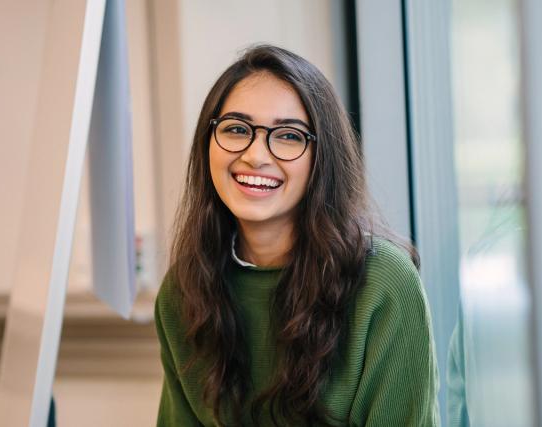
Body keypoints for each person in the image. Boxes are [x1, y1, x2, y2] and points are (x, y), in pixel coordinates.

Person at [155, 44, 440, 427]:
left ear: (322, 159)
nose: (256, 155)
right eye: (237, 129)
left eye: (288, 136)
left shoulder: (385, 284)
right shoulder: (184, 290)